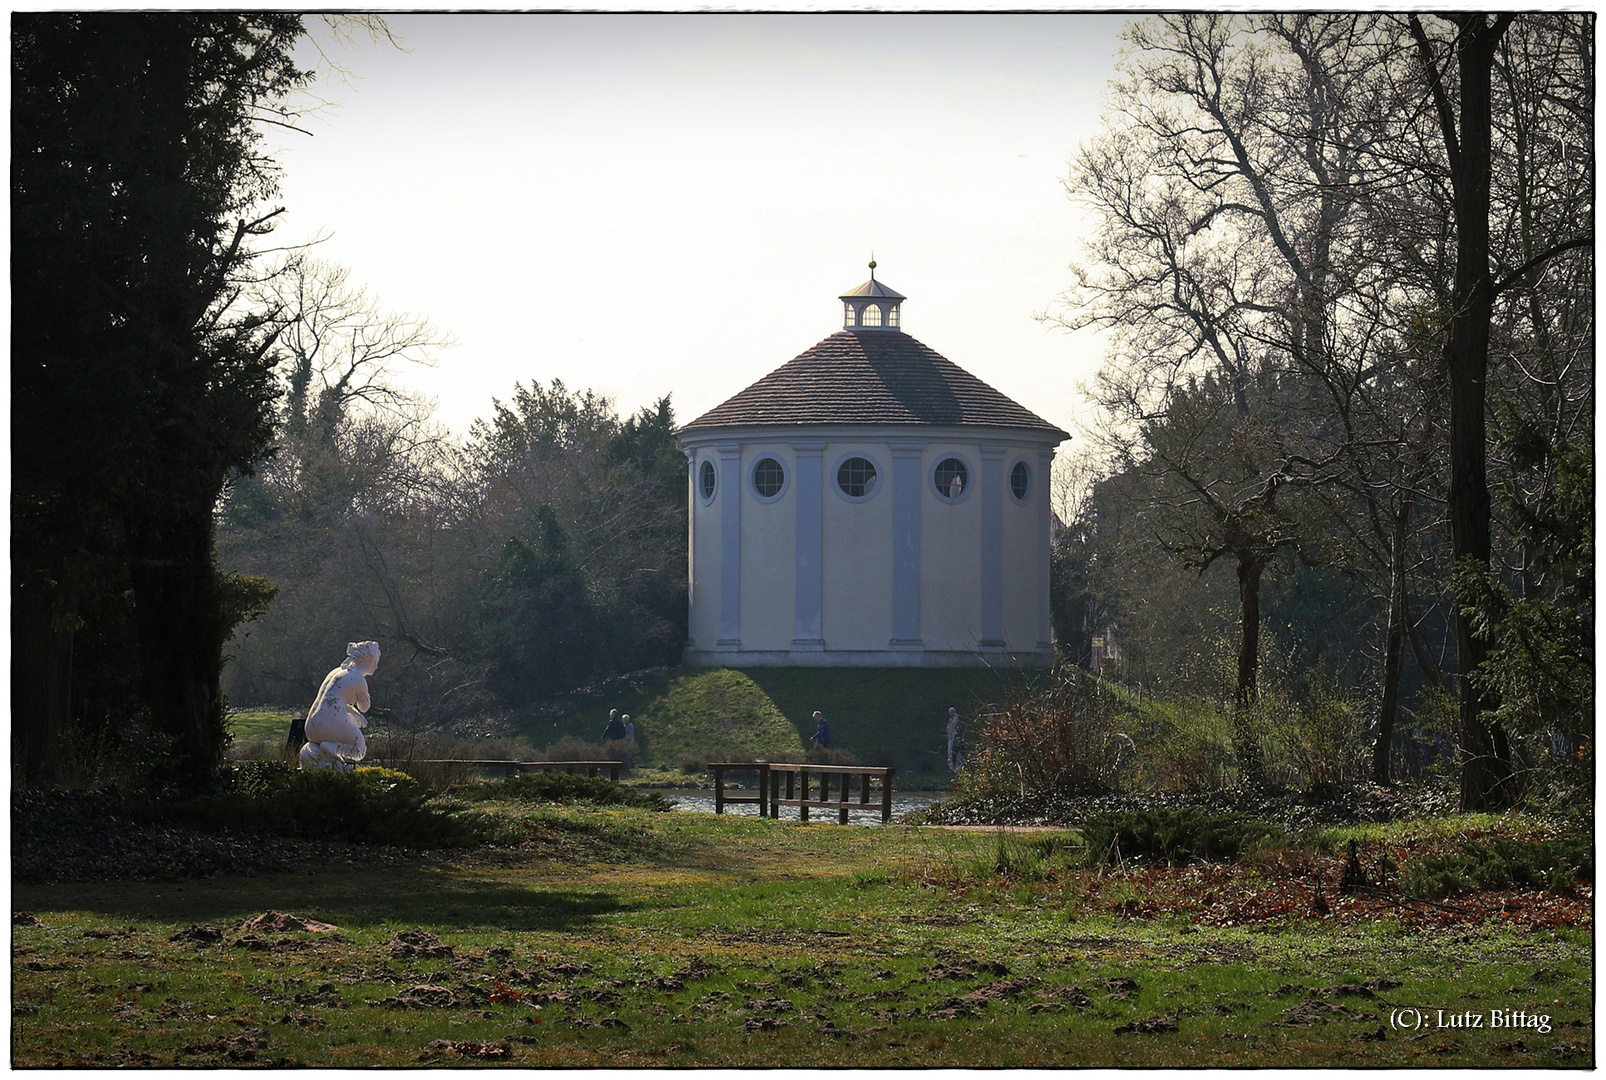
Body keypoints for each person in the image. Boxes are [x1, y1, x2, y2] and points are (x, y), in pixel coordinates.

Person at [300, 641, 380, 771]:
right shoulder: (359, 679)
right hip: (329, 725)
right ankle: (333, 748)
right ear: (365, 661)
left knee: (318, 744)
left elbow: (333, 698)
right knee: (359, 749)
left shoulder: (337, 671)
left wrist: (352, 711)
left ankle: (316, 754)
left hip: (311, 725)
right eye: (374, 662)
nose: (376, 667)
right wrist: (366, 696)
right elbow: (365, 707)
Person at [946, 707, 964, 772]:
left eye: (951, 712)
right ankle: (956, 766)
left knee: (953, 752)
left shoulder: (956, 719)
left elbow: (956, 728)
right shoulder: (950, 720)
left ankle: (954, 766)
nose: (950, 714)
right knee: (953, 753)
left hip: (954, 738)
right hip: (950, 738)